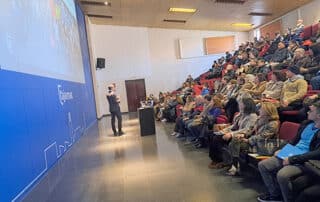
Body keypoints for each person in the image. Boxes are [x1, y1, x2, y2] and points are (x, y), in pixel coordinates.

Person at [257, 102, 320, 202]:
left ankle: (288, 200)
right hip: (292, 153)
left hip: (305, 160)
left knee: (282, 175)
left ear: (318, 115)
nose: (307, 112)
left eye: (311, 110)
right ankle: (275, 195)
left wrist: (291, 159)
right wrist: (282, 150)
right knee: (263, 165)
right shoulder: (306, 124)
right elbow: (293, 141)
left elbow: (315, 154)